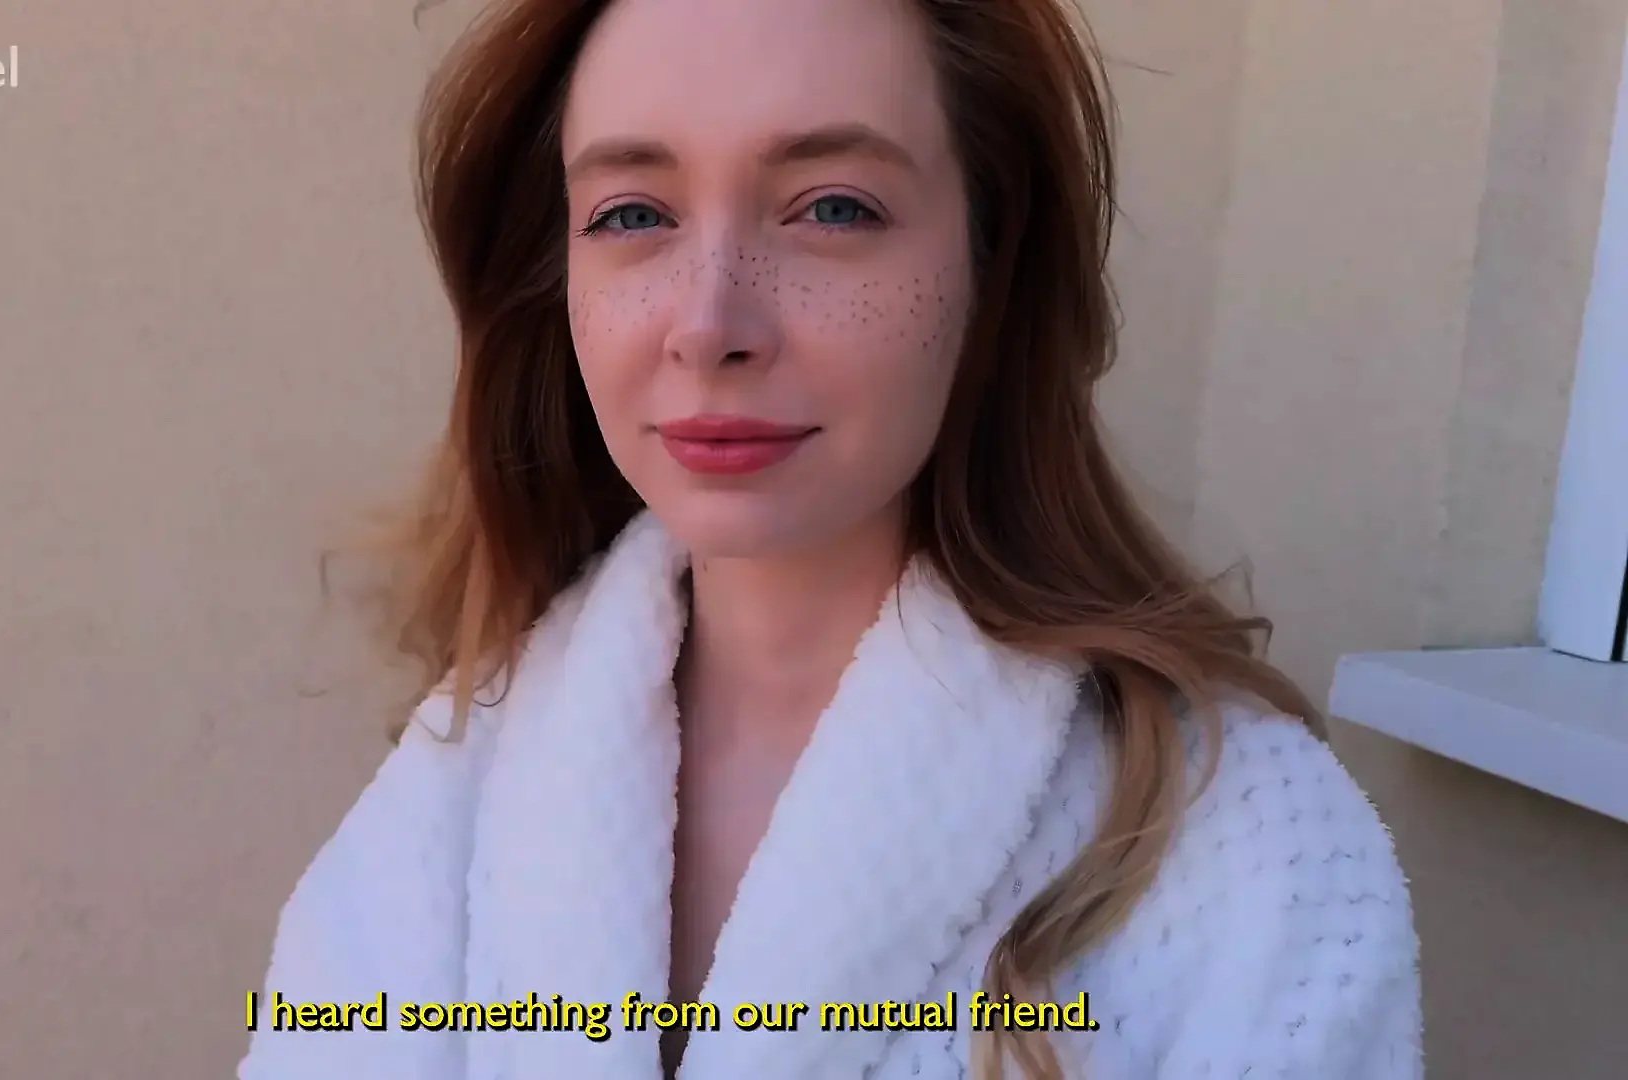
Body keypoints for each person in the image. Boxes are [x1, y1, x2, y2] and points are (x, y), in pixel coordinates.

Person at [238, 0, 1423, 1075]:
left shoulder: (1246, 849)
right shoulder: (462, 773)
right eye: (632, 214)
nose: (709, 323)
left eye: (834, 208)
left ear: (992, 268)